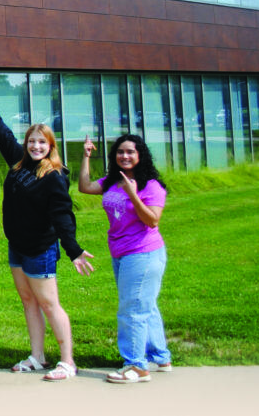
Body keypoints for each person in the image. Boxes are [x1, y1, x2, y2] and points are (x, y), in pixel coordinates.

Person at [0, 100, 94, 381]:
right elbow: (3, 135)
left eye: (41, 143)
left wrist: (74, 249)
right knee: (27, 301)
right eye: (32, 141)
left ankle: (68, 361)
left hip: (40, 249)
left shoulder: (54, 176)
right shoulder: (19, 164)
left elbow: (62, 216)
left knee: (48, 304)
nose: (36, 147)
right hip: (17, 247)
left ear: (50, 146)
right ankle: (38, 357)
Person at [78, 134, 172, 384]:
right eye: (120, 152)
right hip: (121, 253)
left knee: (132, 309)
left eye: (130, 151)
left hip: (143, 253)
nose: (125, 156)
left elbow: (152, 220)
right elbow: (85, 187)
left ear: (140, 155)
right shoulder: (112, 182)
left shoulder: (150, 185)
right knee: (145, 306)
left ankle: (137, 366)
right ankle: (161, 357)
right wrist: (86, 156)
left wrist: (133, 194)